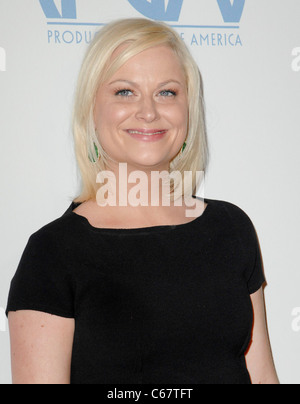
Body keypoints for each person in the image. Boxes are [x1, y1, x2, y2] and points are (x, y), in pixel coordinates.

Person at [6, 18, 279, 384]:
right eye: (124, 92)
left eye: (167, 92)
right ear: (92, 111)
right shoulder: (53, 253)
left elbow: (261, 376)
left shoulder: (232, 228)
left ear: (188, 110)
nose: (148, 112)